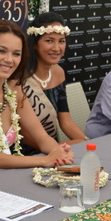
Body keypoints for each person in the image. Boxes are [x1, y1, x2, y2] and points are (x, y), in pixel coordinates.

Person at [0, 20, 75, 169]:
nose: (9, 59)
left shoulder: (14, 89)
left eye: (16, 54)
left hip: (7, 173)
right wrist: (45, 160)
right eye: (2, 51)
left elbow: (41, 137)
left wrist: (58, 152)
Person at [21, 12, 87, 155]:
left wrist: (88, 143)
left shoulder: (58, 73)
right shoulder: (19, 78)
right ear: (35, 44)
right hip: (25, 154)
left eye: (61, 41)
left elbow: (66, 122)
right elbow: (25, 135)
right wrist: (55, 149)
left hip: (54, 149)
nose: (56, 48)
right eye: (49, 41)